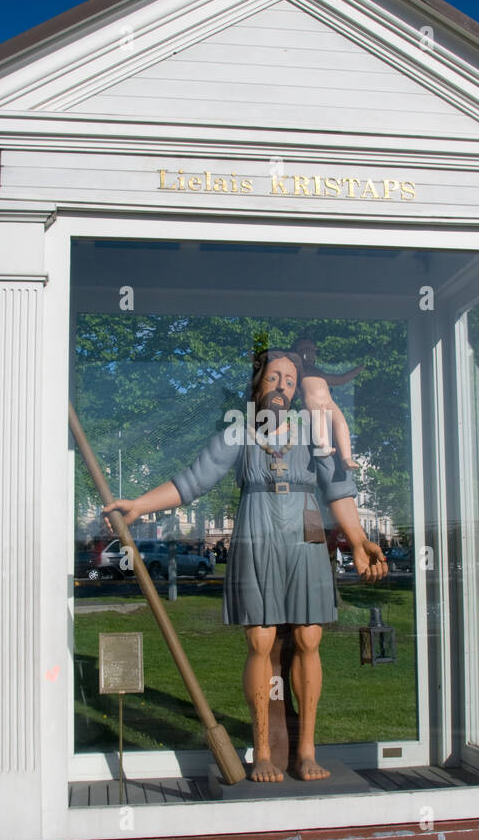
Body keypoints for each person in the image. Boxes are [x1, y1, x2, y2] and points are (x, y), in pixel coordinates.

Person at [103, 347, 387, 782]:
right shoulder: (239, 434)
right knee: (260, 639)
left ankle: (307, 751)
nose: (282, 388)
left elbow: (339, 493)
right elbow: (191, 481)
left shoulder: (313, 433)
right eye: (274, 378)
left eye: (290, 381)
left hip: (306, 538)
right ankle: (264, 752)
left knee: (310, 638)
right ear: (258, 383)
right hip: (256, 538)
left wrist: (361, 539)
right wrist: (140, 505)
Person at [291, 335, 362, 469]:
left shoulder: (319, 372)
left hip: (328, 402)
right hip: (311, 400)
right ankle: (322, 445)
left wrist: (356, 371)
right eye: (305, 349)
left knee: (341, 423)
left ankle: (346, 458)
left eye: (312, 350)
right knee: (320, 417)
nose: (310, 353)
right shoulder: (298, 371)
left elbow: (340, 379)